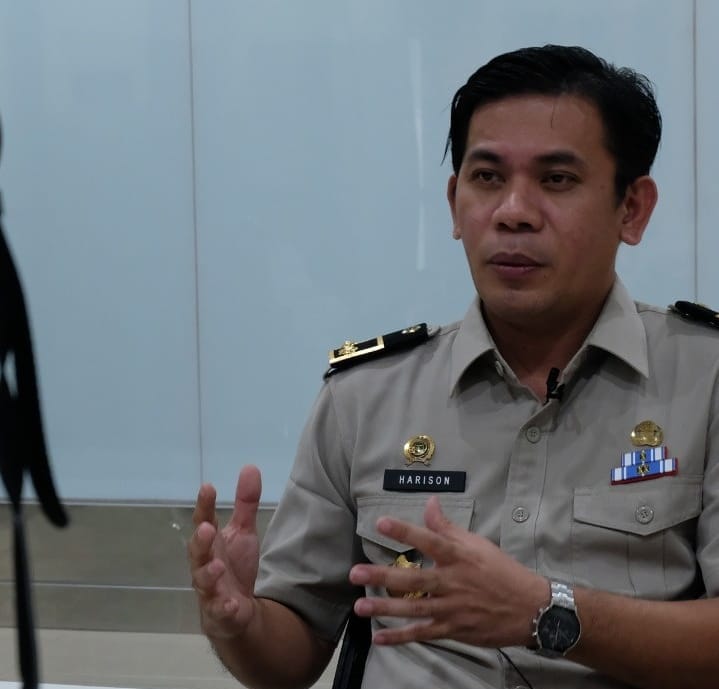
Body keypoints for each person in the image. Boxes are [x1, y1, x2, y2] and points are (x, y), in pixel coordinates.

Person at [188, 45, 719, 689]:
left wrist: (545, 614)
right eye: (487, 177)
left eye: (557, 180)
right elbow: (288, 658)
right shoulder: (366, 395)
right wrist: (240, 623)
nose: (513, 211)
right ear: (453, 202)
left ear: (631, 208)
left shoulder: (706, 379)